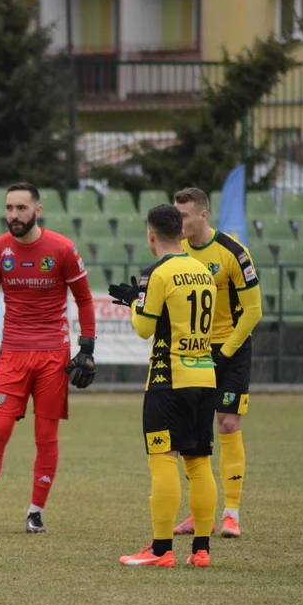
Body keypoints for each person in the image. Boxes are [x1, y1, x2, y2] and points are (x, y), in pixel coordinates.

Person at [0, 182, 96, 534]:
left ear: (38, 209)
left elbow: (84, 299)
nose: (14, 215)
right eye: (9, 208)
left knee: (45, 435)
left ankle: (35, 513)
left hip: (54, 355)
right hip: (12, 354)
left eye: (21, 208)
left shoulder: (62, 249)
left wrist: (87, 349)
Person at [112, 204, 219, 568]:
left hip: (168, 379)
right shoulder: (203, 270)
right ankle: (201, 550)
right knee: (201, 463)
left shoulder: (155, 272)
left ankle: (160, 550)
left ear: (151, 235)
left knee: (163, 462)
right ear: (183, 233)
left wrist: (134, 301)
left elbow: (143, 328)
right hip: (205, 375)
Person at [175, 187, 262, 538]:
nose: (178, 222)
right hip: (192, 352)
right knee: (191, 433)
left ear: (203, 215)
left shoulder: (233, 253)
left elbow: (254, 311)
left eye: (183, 215)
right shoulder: (175, 251)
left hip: (231, 351)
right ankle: (201, 514)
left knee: (227, 425)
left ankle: (232, 514)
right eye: (175, 214)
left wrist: (224, 353)